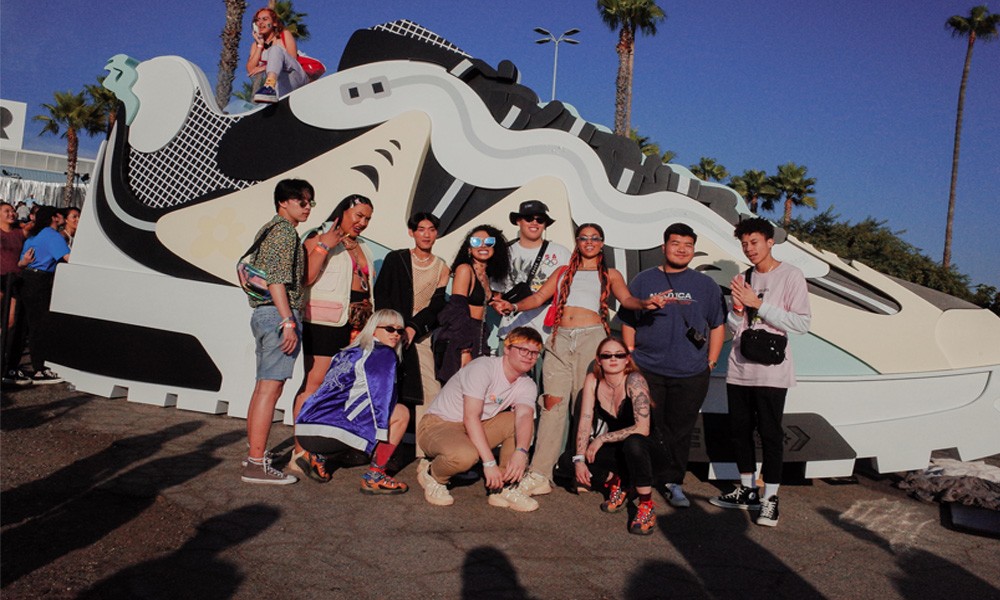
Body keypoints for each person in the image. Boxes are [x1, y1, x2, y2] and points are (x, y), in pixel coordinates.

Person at [493, 223, 664, 496]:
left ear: (602, 242)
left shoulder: (610, 273)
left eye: (595, 238)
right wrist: (513, 306)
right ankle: (539, 474)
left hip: (592, 339)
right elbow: (538, 297)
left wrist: (645, 303)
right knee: (551, 405)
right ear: (577, 241)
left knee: (583, 407)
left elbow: (627, 299)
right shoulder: (563, 272)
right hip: (559, 339)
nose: (589, 242)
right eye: (584, 238)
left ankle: (578, 470)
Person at [709, 217, 811, 527]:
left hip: (772, 370)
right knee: (739, 431)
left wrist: (759, 304)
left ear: (770, 241)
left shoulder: (791, 275)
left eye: (754, 242)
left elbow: (802, 323)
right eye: (744, 244)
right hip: (740, 367)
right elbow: (735, 327)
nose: (749, 249)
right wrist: (738, 311)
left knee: (770, 433)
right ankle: (748, 490)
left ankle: (771, 498)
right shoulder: (743, 278)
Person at [620, 222, 726, 508]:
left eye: (688, 245)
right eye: (676, 243)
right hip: (647, 369)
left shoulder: (706, 285)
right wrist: (630, 354)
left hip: (691, 372)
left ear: (693, 250)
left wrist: (711, 361)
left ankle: (672, 482)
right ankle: (639, 480)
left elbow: (717, 325)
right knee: (644, 426)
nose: (681, 249)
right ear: (664, 246)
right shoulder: (644, 280)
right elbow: (628, 319)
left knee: (680, 431)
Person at [288, 194, 375, 479]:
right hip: (325, 320)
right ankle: (300, 451)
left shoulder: (362, 246)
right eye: (358, 215)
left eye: (367, 218)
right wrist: (325, 244)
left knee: (337, 387)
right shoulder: (319, 236)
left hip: (355, 324)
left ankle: (322, 446)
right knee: (313, 383)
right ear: (344, 211)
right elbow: (305, 278)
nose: (362, 222)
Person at [416, 326, 542, 511]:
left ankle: (503, 486)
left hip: (474, 426)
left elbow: (524, 416)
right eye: (523, 350)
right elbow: (471, 416)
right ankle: (432, 474)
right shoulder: (483, 367)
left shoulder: (527, 384)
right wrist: (489, 463)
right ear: (507, 349)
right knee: (464, 456)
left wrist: (521, 452)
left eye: (534, 353)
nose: (529, 356)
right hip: (439, 424)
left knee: (518, 422)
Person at [241, 179, 313, 485]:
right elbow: (276, 280)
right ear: (283, 202)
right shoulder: (285, 232)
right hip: (278, 314)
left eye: (310, 202)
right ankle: (256, 464)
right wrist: (288, 322)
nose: (307, 207)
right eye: (301, 201)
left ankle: (254, 455)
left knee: (262, 388)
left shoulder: (269, 229)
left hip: (263, 314)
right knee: (271, 389)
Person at [295, 309, 411, 494]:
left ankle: (316, 456)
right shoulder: (383, 353)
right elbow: (381, 397)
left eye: (400, 330)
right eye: (390, 329)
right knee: (401, 413)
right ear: (374, 329)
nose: (396, 334)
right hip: (331, 433)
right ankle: (375, 476)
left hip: (305, 430)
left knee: (351, 410)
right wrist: (380, 435)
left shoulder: (348, 352)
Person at [373, 213, 450, 455]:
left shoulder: (442, 267)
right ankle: (375, 448)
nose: (426, 234)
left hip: (420, 335)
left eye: (431, 229)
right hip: (389, 332)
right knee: (384, 389)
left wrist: (414, 327)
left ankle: (425, 453)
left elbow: (437, 306)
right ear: (412, 232)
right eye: (421, 229)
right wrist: (393, 328)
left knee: (430, 391)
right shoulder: (396, 258)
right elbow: (381, 294)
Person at [573, 337, 658, 535]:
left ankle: (646, 505)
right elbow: (585, 419)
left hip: (648, 451)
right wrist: (579, 459)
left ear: (627, 359)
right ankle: (621, 481)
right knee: (569, 460)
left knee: (633, 443)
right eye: (607, 355)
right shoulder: (593, 380)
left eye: (619, 355)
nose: (613, 359)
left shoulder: (635, 380)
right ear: (598, 360)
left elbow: (643, 428)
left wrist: (601, 438)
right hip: (620, 449)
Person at [433, 224, 510, 383]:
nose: (483, 246)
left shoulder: (486, 276)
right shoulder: (465, 269)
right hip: (461, 338)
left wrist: (496, 301)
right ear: (469, 248)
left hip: (479, 336)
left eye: (489, 242)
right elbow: (457, 311)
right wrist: (465, 350)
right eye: (476, 242)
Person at [497, 200, 570, 344]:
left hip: (549, 335)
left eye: (540, 220)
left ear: (545, 225)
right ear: (518, 221)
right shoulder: (504, 252)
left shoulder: (561, 253)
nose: (534, 223)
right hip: (511, 332)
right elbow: (496, 292)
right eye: (528, 218)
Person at [17, 206, 71, 384]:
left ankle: (24, 365)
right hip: (40, 281)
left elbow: (22, 261)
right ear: (54, 218)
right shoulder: (53, 236)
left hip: (27, 278)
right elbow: (68, 257)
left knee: (28, 325)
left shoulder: (34, 236)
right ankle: (40, 369)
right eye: (60, 215)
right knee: (40, 325)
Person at [246, 6, 308, 104]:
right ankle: (270, 91)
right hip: (282, 84)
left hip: (295, 75)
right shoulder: (256, 45)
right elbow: (251, 70)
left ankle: (269, 86)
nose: (260, 23)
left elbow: (292, 59)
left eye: (265, 19)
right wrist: (260, 45)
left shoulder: (284, 35)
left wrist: (264, 67)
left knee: (275, 49)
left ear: (274, 23)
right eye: (257, 20)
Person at [1, 201, 30, 384]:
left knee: (10, 321)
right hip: (0, 278)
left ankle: (4, 356)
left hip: (14, 280)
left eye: (13, 211)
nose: (11, 213)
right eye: (7, 211)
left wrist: (24, 263)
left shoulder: (19, 233)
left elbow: (32, 227)